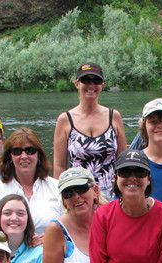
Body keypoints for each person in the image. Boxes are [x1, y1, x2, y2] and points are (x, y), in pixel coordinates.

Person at [53, 62, 127, 201]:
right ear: (76, 84)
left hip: (111, 196)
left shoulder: (114, 117)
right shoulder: (65, 120)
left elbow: (122, 162)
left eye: (96, 81)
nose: (91, 85)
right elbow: (59, 167)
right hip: (78, 196)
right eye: (86, 80)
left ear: (102, 85)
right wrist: (61, 201)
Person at [0, 128, 61, 241]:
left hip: (48, 253)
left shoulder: (56, 188)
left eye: (30, 150)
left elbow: (70, 229)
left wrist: (51, 238)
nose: (24, 156)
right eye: (17, 151)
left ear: (39, 155)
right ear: (10, 157)